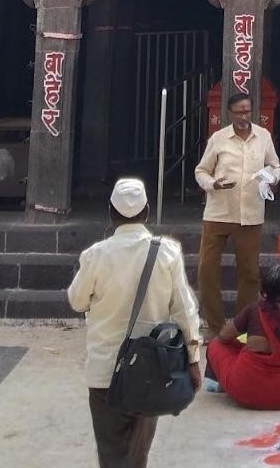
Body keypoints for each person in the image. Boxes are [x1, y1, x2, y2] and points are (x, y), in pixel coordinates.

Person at [68, 176, 203, 468]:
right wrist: (193, 359)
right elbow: (184, 310)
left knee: (111, 454)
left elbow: (77, 301)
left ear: (110, 213)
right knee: (137, 455)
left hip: (105, 371)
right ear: (147, 212)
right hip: (149, 369)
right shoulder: (166, 252)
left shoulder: (95, 255)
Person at [194, 90, 280, 336]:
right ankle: (215, 326)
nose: (244, 115)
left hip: (250, 214)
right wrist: (213, 184)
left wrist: (271, 177)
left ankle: (242, 328)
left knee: (250, 273)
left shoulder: (263, 136)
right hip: (218, 213)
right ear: (230, 113)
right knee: (207, 269)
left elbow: (276, 165)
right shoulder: (219, 139)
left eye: (247, 111)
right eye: (239, 111)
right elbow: (201, 171)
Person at [206, 262, 280, 410]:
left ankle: (218, 383)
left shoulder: (253, 309)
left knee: (215, 345)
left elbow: (223, 337)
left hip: (242, 390)